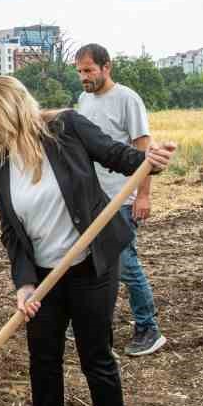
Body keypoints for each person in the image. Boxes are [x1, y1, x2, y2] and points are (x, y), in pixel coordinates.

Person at [0, 77, 174, 406]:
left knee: (94, 355)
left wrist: (148, 159)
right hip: (44, 273)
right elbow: (11, 231)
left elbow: (117, 156)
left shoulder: (66, 127)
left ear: (8, 109)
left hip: (90, 264)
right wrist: (24, 284)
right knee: (42, 354)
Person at [74, 43, 166, 357]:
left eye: (89, 70)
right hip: (93, 199)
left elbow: (144, 151)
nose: (84, 77)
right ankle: (97, 327)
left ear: (106, 67)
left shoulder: (127, 99)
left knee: (125, 265)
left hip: (122, 197)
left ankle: (148, 328)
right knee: (92, 266)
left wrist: (143, 195)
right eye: (80, 72)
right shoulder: (84, 101)